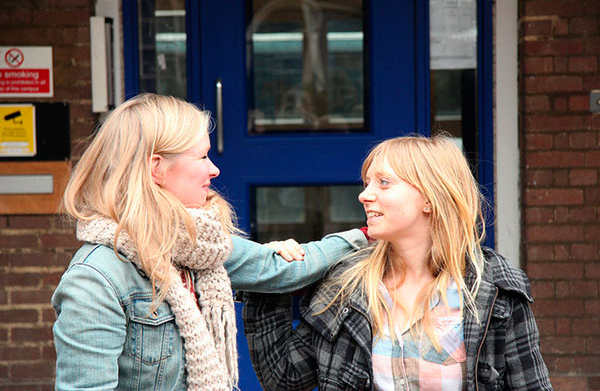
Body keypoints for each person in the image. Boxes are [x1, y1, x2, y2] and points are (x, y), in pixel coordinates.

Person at [51, 93, 367, 391]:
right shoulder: (95, 279)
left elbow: (283, 271)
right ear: (156, 168)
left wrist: (367, 236)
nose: (214, 169)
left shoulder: (199, 246)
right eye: (202, 156)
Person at [242, 135, 553, 391]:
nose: (365, 195)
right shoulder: (346, 284)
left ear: (430, 198)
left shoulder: (494, 289)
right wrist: (272, 278)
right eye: (366, 183)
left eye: (384, 182)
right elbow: (285, 379)